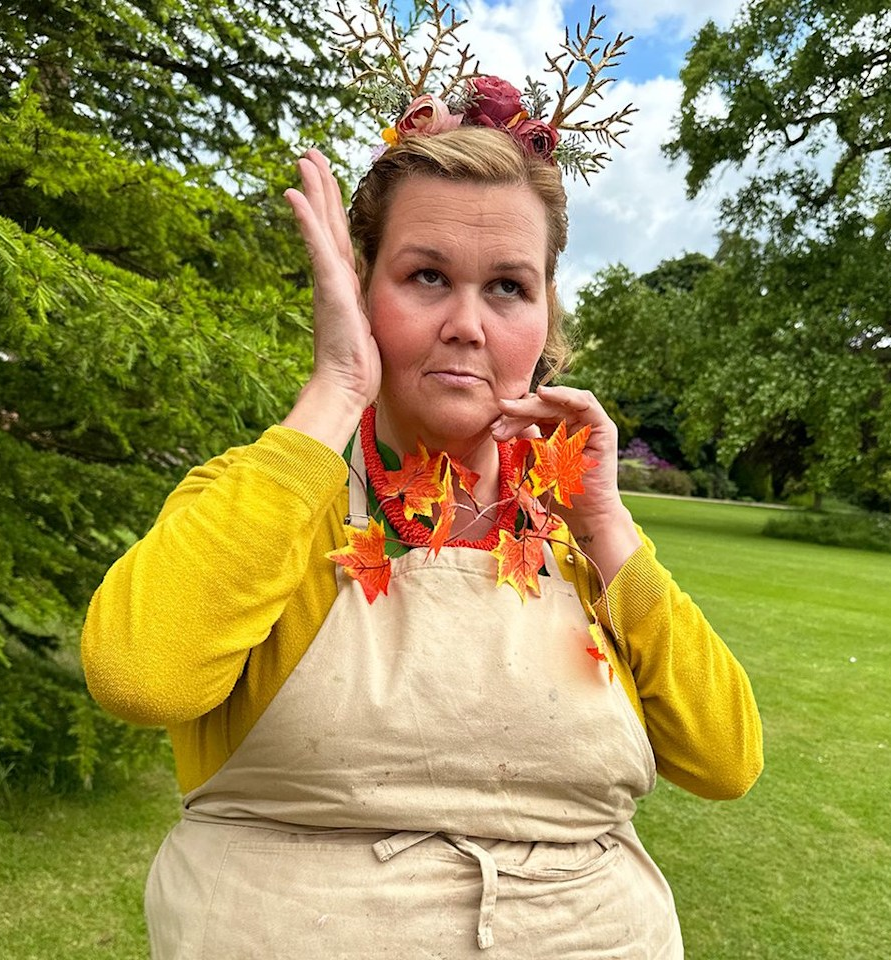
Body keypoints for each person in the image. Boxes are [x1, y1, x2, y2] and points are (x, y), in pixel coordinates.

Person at [82, 71, 762, 960]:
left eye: (509, 288)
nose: (468, 324)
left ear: (548, 320)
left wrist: (609, 530)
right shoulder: (275, 498)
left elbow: (726, 760)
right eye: (427, 276)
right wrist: (335, 390)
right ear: (364, 297)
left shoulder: (578, 542)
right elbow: (140, 677)